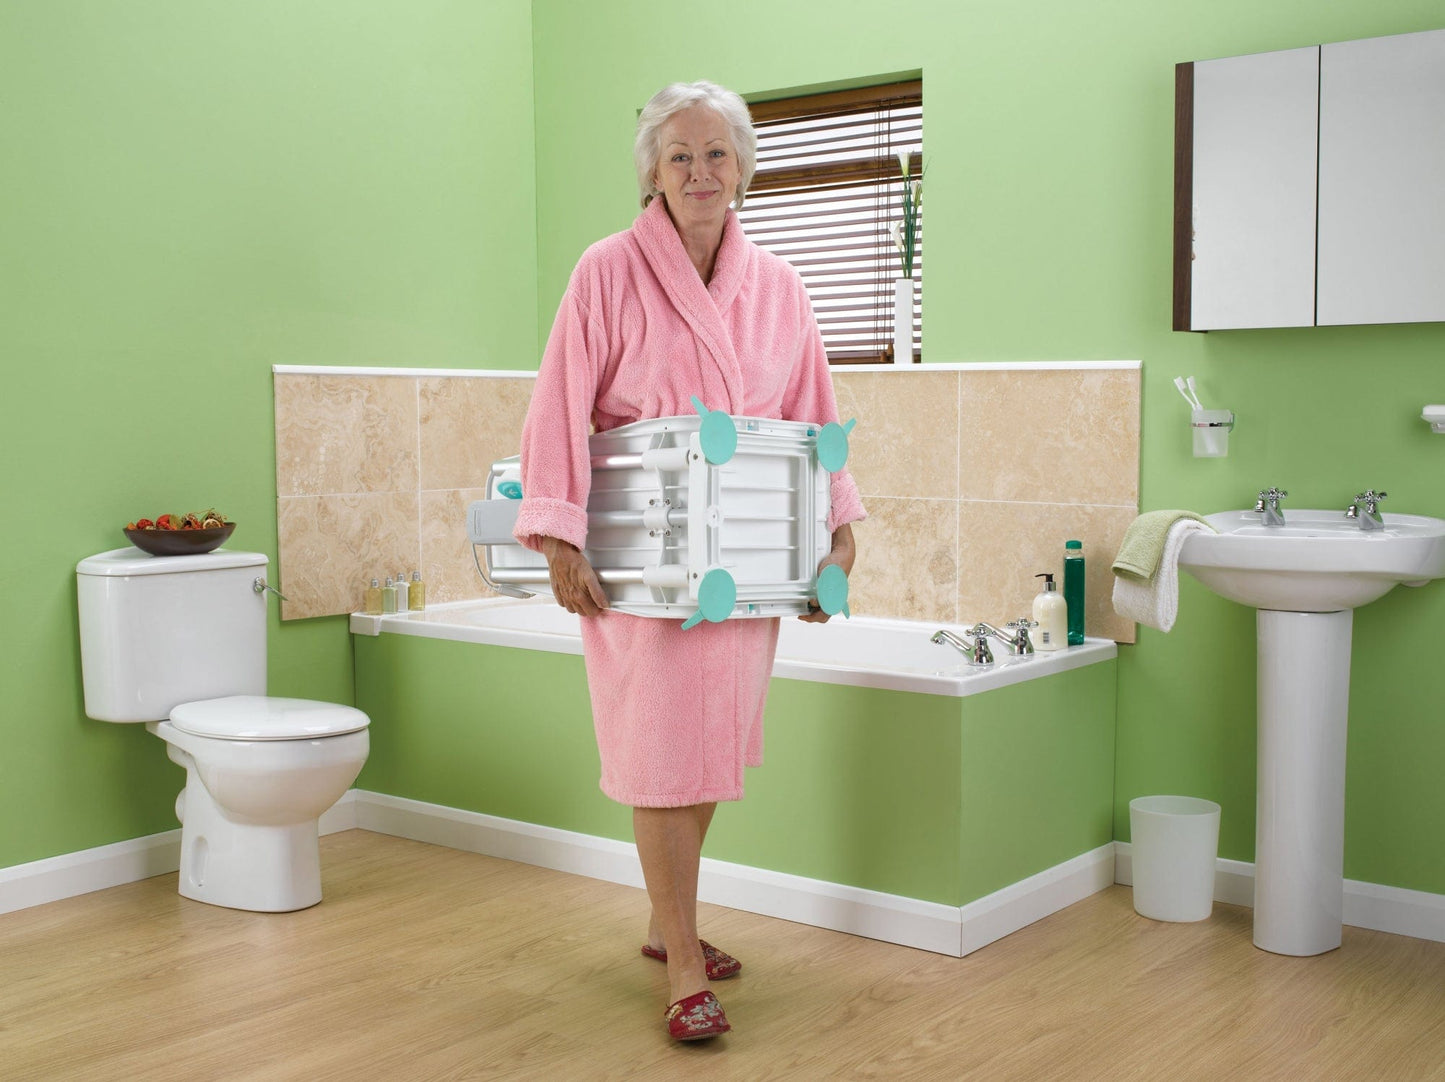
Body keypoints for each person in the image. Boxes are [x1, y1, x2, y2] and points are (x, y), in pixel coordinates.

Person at [512, 80, 865, 1042]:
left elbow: (815, 417)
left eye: (716, 154)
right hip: (644, 554)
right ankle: (679, 964)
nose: (701, 172)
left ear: (743, 167)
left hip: (745, 558)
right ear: (652, 174)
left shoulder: (780, 286)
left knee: (704, 754)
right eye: (680, 156)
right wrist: (556, 532)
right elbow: (559, 402)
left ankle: (672, 925)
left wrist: (835, 533)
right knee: (662, 758)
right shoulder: (606, 270)